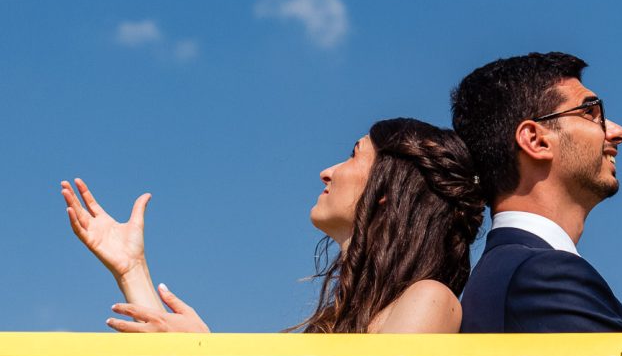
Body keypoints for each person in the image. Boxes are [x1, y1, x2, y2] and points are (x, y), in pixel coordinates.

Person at [61, 118, 484, 333]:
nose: (326, 171)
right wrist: (132, 269)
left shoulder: (429, 300)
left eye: (354, 155)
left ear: (387, 190)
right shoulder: (343, 316)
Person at [451, 52, 622, 333]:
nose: (617, 131)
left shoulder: (510, 269)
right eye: (590, 113)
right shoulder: (541, 274)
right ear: (535, 140)